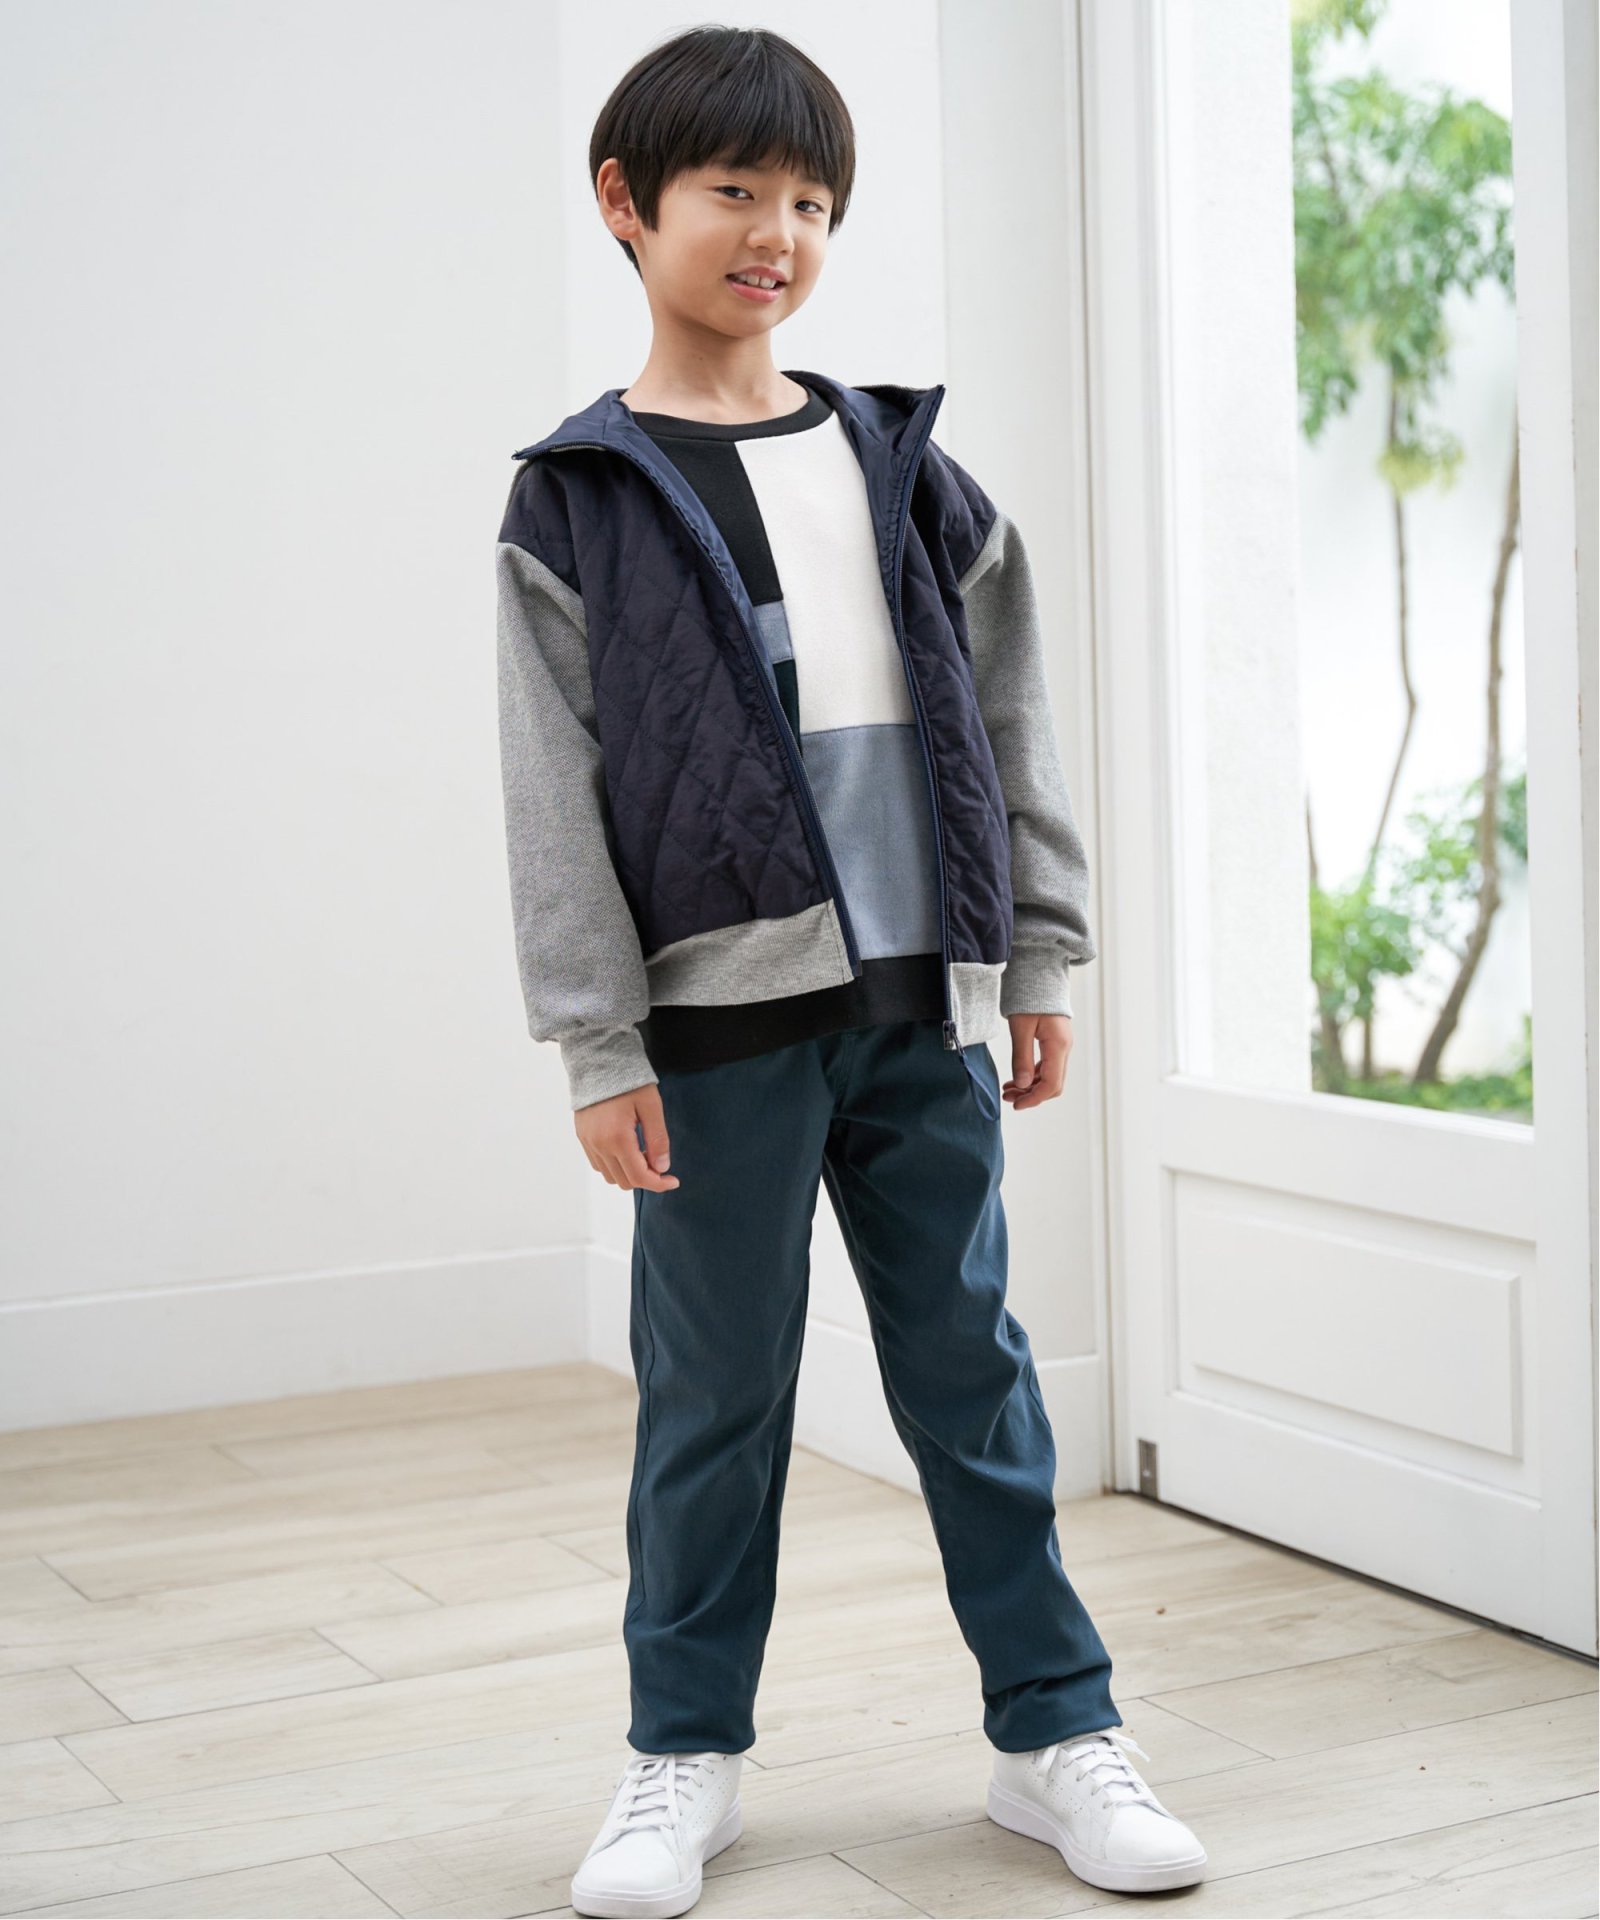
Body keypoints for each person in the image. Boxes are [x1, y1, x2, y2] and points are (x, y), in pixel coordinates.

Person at [495, 24, 1207, 1917]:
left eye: (812, 202)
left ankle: (1056, 1735)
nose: (778, 235)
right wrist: (596, 1041)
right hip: (714, 1034)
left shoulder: (906, 466)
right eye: (735, 191)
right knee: (712, 1402)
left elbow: (1012, 716)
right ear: (626, 202)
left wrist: (1039, 953)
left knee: (974, 1376)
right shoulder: (579, 496)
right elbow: (550, 793)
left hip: (922, 1009)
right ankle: (682, 1757)